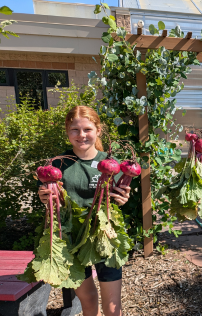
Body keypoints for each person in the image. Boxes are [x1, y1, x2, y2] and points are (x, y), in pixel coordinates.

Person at [38, 106, 131, 316]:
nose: (81, 135)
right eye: (75, 130)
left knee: (112, 304)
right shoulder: (57, 165)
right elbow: (49, 197)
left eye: (87, 129)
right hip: (72, 237)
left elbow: (118, 199)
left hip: (105, 235)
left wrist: (123, 199)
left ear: (98, 130)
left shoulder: (111, 163)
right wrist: (45, 199)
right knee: (88, 301)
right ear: (67, 132)